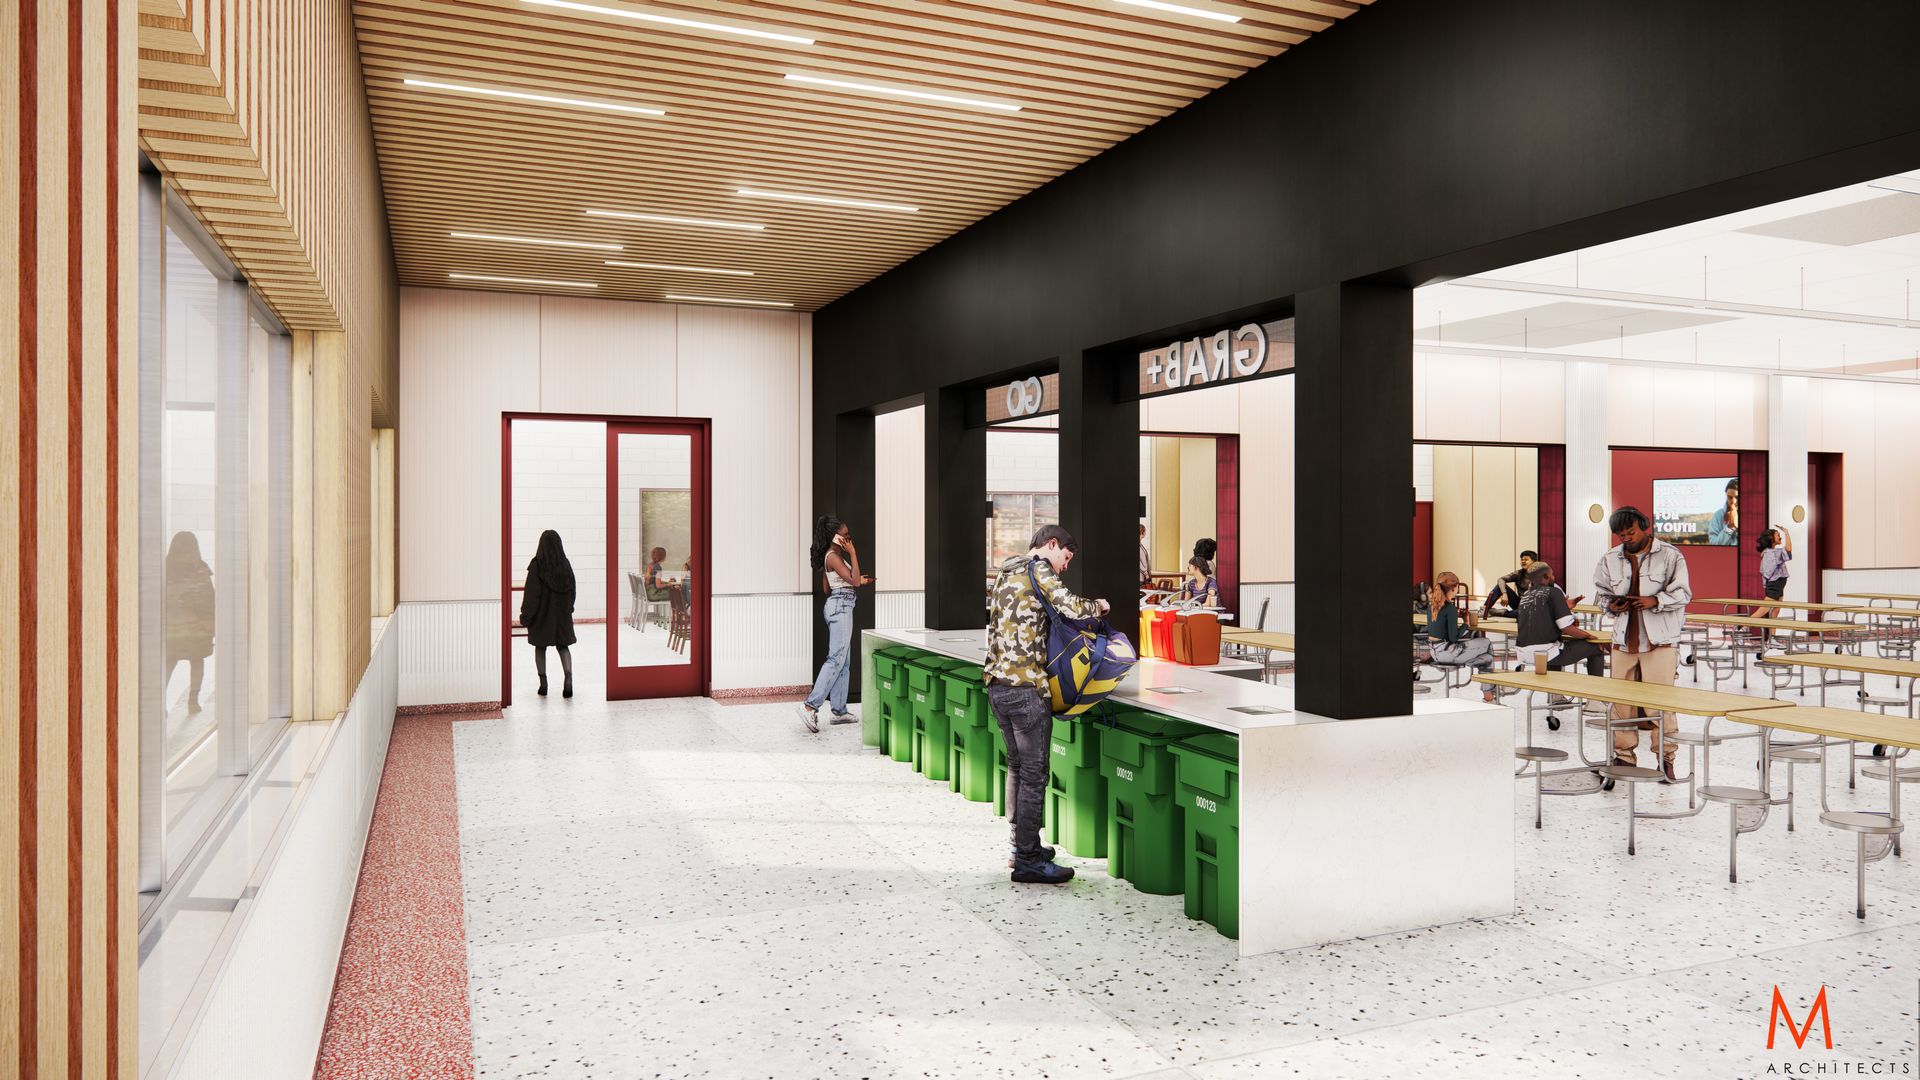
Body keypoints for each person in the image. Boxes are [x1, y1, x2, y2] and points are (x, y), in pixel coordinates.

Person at [985, 524, 1108, 885]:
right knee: (1035, 775)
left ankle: (1020, 845)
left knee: (1018, 768)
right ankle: (1028, 860)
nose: (1065, 567)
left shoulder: (1006, 570)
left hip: (997, 686)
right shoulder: (1038, 569)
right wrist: (1098, 606)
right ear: (1051, 545)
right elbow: (1071, 607)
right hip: (1026, 690)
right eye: (1065, 557)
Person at [1593, 506, 1692, 785]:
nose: (1626, 538)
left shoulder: (1671, 556)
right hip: (1623, 641)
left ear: (1644, 527)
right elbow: (1600, 594)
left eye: (1631, 533)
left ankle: (1666, 759)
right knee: (1620, 705)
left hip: (1661, 641)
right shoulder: (1610, 559)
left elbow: (1683, 593)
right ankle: (1623, 757)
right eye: (1621, 535)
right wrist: (1611, 605)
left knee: (1660, 703)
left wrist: (1655, 601)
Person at [797, 516, 874, 733]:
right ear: (834, 536)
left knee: (843, 661)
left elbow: (827, 588)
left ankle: (839, 711)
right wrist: (854, 554)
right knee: (836, 659)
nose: (847, 538)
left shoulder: (830, 557)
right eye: (844, 535)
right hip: (841, 607)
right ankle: (809, 706)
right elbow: (855, 581)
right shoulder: (834, 557)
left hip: (838, 603)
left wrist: (849, 580)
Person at [1513, 562, 1604, 690]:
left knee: (1556, 645)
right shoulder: (1553, 592)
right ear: (1545, 576)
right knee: (1596, 648)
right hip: (1545, 655)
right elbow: (1567, 628)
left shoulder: (1525, 596)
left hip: (1523, 655)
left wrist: (1564, 606)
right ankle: (1595, 700)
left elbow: (1542, 617)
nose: (1554, 578)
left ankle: (1556, 696)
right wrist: (1590, 636)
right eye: (1552, 575)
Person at [520, 529, 577, 698]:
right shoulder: (565, 564)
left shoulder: (537, 565)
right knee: (563, 646)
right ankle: (568, 680)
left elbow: (531, 594)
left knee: (540, 647)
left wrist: (526, 615)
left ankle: (543, 684)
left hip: (542, 616)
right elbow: (573, 589)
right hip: (561, 615)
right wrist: (569, 607)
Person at [164, 531, 216, 716]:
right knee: (191, 660)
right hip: (192, 625)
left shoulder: (168, 568)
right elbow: (209, 598)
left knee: (173, 660)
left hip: (178, 625)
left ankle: (191, 699)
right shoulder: (199, 569)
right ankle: (193, 700)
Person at [1426, 571, 1498, 703]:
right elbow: (1454, 638)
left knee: (1487, 659)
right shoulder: (1450, 608)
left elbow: (1441, 631)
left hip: (1435, 653)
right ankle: (1493, 688)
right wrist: (1465, 623)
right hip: (1448, 652)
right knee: (1486, 642)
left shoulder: (1432, 606)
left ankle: (1489, 698)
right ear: (1455, 587)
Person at [1751, 526, 1793, 631]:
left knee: (1776, 611)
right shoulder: (1771, 553)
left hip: (1779, 585)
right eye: (1778, 535)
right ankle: (1742, 628)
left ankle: (1772, 638)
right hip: (1775, 585)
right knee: (1763, 610)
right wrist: (1787, 533)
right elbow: (1788, 549)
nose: (1780, 537)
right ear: (1771, 538)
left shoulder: (1772, 552)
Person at [1480, 550, 1539, 618]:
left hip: (1533, 606)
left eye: (1526, 560)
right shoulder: (1519, 573)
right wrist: (1504, 593)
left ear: (1534, 562)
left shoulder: (1540, 575)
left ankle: (1500, 612)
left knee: (1523, 613)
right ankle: (1485, 609)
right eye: (1522, 559)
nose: (1523, 561)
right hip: (1520, 603)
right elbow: (1501, 579)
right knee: (1499, 586)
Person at [1708, 478, 1739, 546]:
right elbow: (1714, 544)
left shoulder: (1753, 517)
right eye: (1730, 497)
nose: (1733, 501)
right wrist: (1730, 528)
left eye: (1737, 497)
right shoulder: (1718, 515)